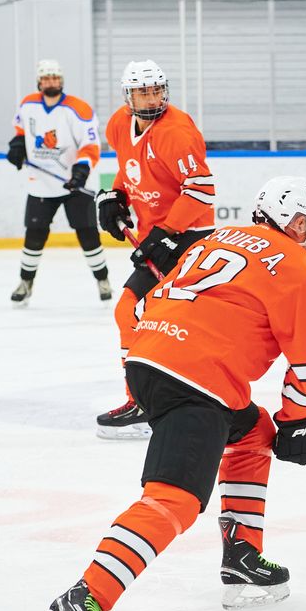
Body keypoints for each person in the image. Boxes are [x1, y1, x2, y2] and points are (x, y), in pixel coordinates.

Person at [30, 176, 306, 611]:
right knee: (174, 499)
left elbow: (146, 297)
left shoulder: (217, 237)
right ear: (297, 221)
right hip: (196, 379)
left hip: (146, 361)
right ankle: (83, 599)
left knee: (254, 432)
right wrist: (300, 421)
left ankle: (243, 556)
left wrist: (282, 424)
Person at [95, 59, 217, 440]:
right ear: (128, 96)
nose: (150, 98)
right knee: (129, 311)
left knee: (169, 320)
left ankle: (181, 399)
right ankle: (141, 401)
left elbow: (201, 191)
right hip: (158, 237)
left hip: (190, 237)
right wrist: (116, 196)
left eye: (155, 90)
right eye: (142, 92)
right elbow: (129, 167)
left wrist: (165, 233)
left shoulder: (176, 132)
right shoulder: (119, 124)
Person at [6, 59, 109, 307]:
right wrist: (18, 146)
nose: (50, 82)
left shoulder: (78, 109)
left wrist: (81, 171)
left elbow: (90, 145)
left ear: (61, 80)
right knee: (34, 236)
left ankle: (103, 280)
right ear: (39, 82)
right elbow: (21, 130)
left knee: (88, 234)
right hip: (40, 183)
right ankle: (25, 283)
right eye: (46, 78)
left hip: (75, 183)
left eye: (54, 77)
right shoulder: (28, 104)